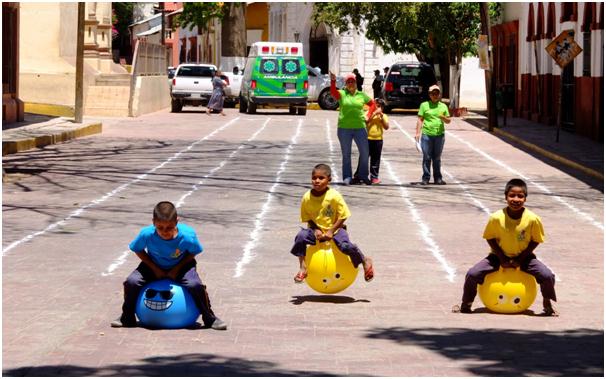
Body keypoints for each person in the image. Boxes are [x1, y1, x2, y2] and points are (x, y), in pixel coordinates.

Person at [111, 201, 227, 330]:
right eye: (160, 227)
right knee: (131, 282)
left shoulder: (187, 236)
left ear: (177, 221)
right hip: (153, 264)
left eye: (169, 228)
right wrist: (155, 268)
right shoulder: (146, 234)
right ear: (153, 222)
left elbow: (193, 252)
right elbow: (137, 249)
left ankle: (209, 318)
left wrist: (176, 269)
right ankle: (126, 317)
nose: (164, 232)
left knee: (195, 285)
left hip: (182, 265)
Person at [453, 179, 558, 316]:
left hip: (525, 257)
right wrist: (502, 258)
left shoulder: (533, 219)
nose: (516, 199)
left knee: (547, 275)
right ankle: (466, 303)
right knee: (472, 273)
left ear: (525, 198)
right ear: (505, 197)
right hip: (497, 256)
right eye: (512, 195)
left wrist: (520, 259)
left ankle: (547, 302)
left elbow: (536, 240)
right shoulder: (496, 217)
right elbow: (489, 237)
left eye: (520, 196)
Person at [291, 164, 374, 283]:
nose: (317, 181)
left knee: (345, 246)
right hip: (316, 231)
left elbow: (343, 215)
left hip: (336, 230)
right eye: (314, 178)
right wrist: (316, 229)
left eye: (321, 178)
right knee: (300, 236)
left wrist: (331, 230)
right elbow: (308, 218)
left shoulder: (334, 196)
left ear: (329, 180)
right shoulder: (306, 197)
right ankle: (303, 268)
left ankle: (364, 260)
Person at [329, 71, 376, 185]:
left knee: (365, 152)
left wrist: (368, 115)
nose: (351, 83)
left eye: (352, 81)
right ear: (346, 84)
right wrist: (333, 81)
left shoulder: (361, 95)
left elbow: (373, 104)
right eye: (348, 82)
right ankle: (347, 177)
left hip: (360, 127)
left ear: (356, 83)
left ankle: (363, 175)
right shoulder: (342, 94)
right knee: (346, 154)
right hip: (344, 128)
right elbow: (333, 92)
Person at [415, 84, 450, 185]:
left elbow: (448, 121)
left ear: (439, 95)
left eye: (437, 93)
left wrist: (443, 118)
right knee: (427, 156)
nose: (435, 95)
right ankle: (426, 177)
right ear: (429, 94)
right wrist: (417, 133)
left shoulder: (443, 106)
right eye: (433, 93)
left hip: (439, 135)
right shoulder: (424, 105)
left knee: (437, 157)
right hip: (427, 135)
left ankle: (438, 178)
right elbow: (420, 119)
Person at [365, 99, 389, 184]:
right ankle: (361, 175)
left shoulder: (383, 116)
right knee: (364, 158)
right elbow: (366, 122)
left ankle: (374, 177)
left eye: (379, 107)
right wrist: (373, 113)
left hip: (378, 140)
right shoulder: (368, 114)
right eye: (376, 106)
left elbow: (386, 127)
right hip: (368, 139)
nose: (377, 108)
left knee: (375, 159)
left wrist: (381, 117)